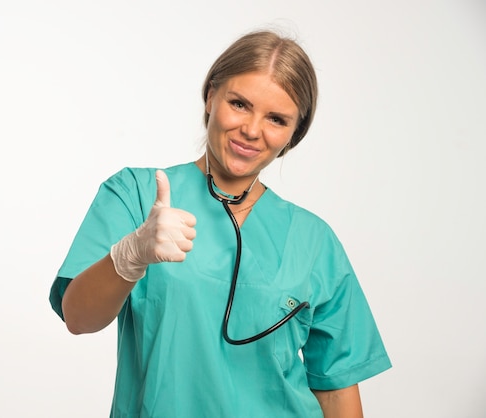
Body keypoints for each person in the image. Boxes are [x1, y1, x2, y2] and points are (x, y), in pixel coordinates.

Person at [49, 29, 391, 418]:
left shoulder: (314, 241)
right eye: (240, 104)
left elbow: (336, 389)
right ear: (211, 97)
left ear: (293, 133)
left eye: (276, 119)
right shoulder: (135, 194)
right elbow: (78, 318)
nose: (252, 130)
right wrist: (130, 255)